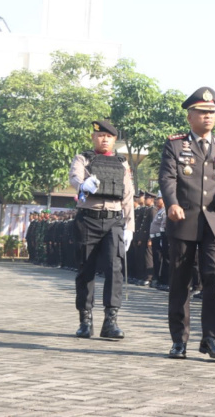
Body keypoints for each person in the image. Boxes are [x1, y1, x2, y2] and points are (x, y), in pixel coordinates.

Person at [159, 86, 215, 359]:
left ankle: (211, 338)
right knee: (180, 282)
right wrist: (172, 203)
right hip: (184, 221)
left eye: (212, 112)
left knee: (214, 278)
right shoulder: (175, 145)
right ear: (190, 116)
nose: (208, 117)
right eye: (202, 112)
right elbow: (168, 178)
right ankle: (179, 341)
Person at [69, 119, 135, 339]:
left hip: (114, 221)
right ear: (93, 137)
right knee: (85, 270)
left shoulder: (122, 163)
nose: (104, 139)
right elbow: (74, 177)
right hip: (88, 218)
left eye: (108, 136)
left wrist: (129, 226)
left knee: (115, 270)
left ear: (114, 140)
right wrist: (82, 186)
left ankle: (110, 321)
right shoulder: (83, 158)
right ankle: (85, 320)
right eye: (100, 135)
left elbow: (128, 195)